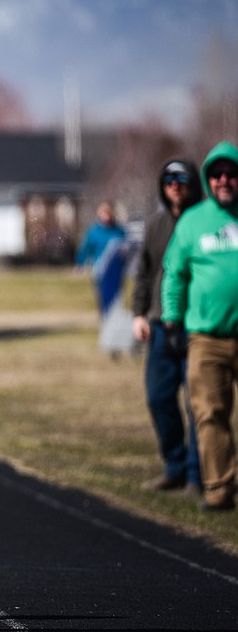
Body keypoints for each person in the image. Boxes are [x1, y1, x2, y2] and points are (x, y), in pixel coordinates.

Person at [162, 141, 238, 512]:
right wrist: (172, 318)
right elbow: (174, 274)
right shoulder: (193, 222)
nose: (224, 179)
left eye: (231, 173)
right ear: (209, 180)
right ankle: (220, 487)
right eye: (217, 174)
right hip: (207, 337)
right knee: (209, 413)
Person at [131, 159, 203, 495]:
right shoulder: (156, 223)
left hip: (197, 324)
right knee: (159, 398)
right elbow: (143, 272)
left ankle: (197, 475)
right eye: (169, 179)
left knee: (198, 403)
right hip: (160, 325)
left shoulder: (205, 223)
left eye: (182, 179)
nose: (176, 184)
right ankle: (174, 466)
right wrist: (139, 313)